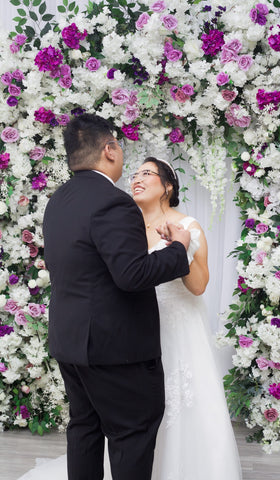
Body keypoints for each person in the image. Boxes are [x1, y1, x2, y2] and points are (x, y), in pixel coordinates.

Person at [18, 154, 242, 480]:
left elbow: (198, 287)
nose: (137, 178)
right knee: (126, 421)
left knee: (168, 412)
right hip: (125, 334)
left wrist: (180, 248)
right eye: (135, 173)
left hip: (175, 330)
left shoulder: (187, 226)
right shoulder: (121, 220)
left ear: (167, 186)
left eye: (147, 173)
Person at [40, 114, 191, 480]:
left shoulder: (58, 200)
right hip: (115, 351)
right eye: (120, 147)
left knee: (84, 430)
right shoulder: (114, 202)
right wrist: (179, 249)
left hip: (71, 343)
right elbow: (132, 275)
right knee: (131, 438)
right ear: (109, 149)